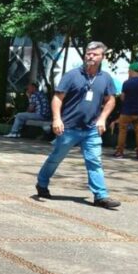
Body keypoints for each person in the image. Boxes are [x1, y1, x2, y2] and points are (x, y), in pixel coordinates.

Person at [35, 41, 120, 209]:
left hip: (91, 129)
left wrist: (102, 118)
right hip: (69, 128)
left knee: (94, 162)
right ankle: (42, 183)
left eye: (95, 54)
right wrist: (57, 119)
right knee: (56, 158)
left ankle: (100, 196)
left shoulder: (105, 78)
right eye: (88, 53)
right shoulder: (72, 75)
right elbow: (57, 98)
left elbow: (111, 100)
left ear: (102, 57)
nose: (90, 56)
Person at [114, 61, 138, 159]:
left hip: (126, 111)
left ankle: (120, 152)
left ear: (131, 70)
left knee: (122, 131)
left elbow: (123, 98)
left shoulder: (127, 83)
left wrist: (121, 97)